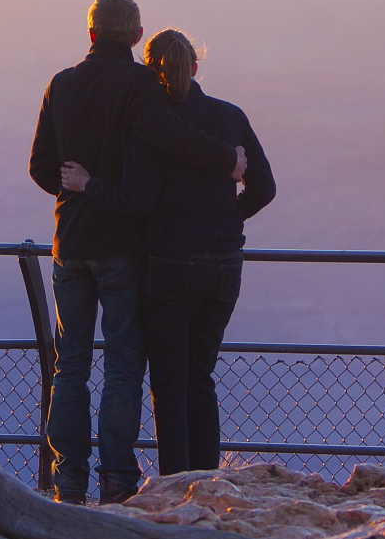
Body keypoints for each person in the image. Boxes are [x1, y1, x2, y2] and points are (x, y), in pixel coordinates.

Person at [27, 0, 246, 504]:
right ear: (136, 35)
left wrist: (77, 190)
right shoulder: (139, 84)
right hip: (122, 246)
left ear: (91, 33)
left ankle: (67, 484)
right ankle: (118, 482)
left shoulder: (61, 84)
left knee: (69, 365)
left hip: (69, 245)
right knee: (123, 366)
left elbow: (40, 168)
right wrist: (228, 162)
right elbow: (175, 136)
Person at [64, 30, 274, 478]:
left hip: (169, 264)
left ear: (149, 69)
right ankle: (209, 483)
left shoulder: (150, 127)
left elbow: (135, 201)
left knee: (169, 382)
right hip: (225, 263)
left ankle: (177, 485)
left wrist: (89, 184)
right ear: (195, 67)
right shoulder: (230, 116)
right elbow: (265, 187)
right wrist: (227, 217)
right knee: (200, 376)